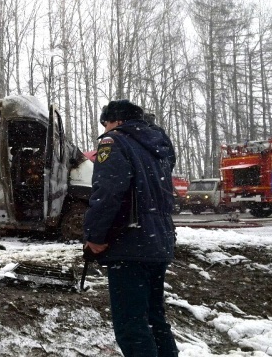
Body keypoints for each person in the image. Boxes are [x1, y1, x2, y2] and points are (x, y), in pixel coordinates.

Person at [83, 100, 178, 357]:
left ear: (116, 121)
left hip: (129, 244)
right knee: (154, 318)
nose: (105, 129)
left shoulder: (114, 142)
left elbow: (107, 193)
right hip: (159, 241)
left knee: (131, 325)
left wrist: (95, 237)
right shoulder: (157, 145)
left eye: (106, 123)